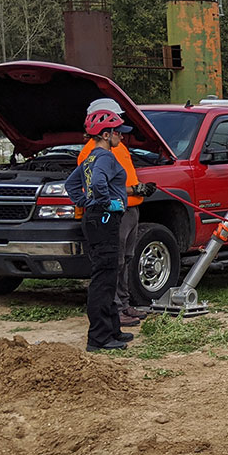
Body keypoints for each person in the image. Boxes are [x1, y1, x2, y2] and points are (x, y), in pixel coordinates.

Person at [78, 98, 156, 327]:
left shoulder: (117, 146)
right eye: (117, 125)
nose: (121, 130)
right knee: (114, 260)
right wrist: (134, 188)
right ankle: (114, 310)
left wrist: (137, 189)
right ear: (105, 130)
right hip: (113, 213)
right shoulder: (91, 152)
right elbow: (96, 187)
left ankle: (123, 303)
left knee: (126, 259)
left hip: (130, 208)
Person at [64, 109, 135, 352]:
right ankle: (99, 337)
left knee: (108, 272)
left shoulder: (91, 158)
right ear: (106, 134)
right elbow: (97, 183)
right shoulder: (105, 157)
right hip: (105, 219)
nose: (121, 137)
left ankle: (113, 329)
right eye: (118, 133)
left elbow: (71, 184)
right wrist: (105, 203)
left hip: (96, 219)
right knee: (104, 279)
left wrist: (83, 202)